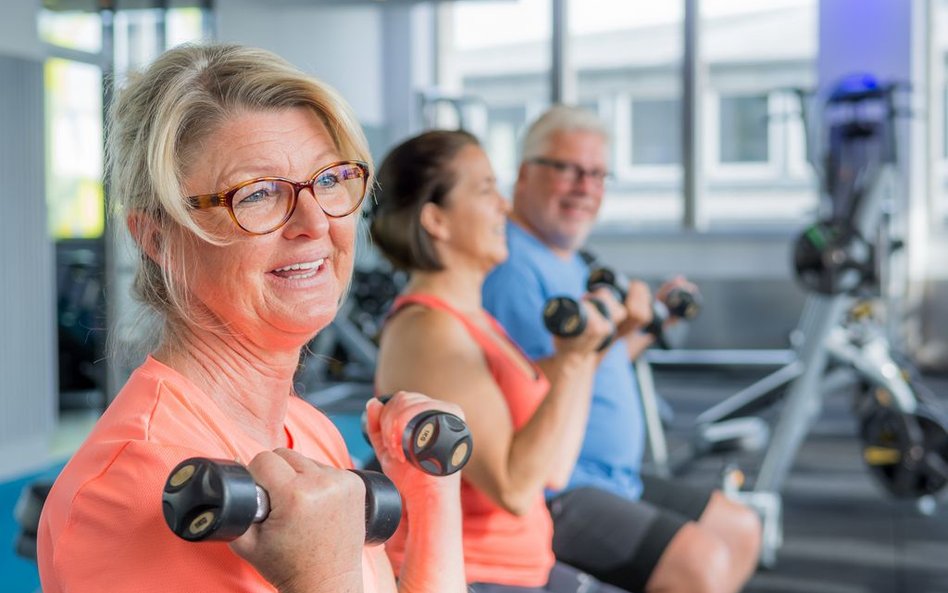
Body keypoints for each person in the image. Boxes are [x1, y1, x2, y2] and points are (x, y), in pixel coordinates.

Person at [37, 43, 466, 593]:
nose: (314, 221)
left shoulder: (306, 431)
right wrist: (323, 577)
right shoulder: (136, 489)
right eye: (258, 193)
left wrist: (432, 497)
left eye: (331, 179)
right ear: (158, 239)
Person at [482, 105, 762, 593]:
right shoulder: (513, 266)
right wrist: (605, 337)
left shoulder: (566, 261)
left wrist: (645, 328)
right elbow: (530, 384)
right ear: (525, 174)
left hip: (611, 475)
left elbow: (595, 361)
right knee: (700, 565)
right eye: (568, 169)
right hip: (558, 486)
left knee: (740, 527)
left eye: (596, 174)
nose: (584, 186)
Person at [370, 130, 630, 593]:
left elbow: (553, 467)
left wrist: (585, 351)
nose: (504, 207)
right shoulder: (429, 331)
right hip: (477, 575)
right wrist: (571, 362)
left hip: (524, 565)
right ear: (436, 219)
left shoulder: (477, 322)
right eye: (486, 189)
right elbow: (512, 487)